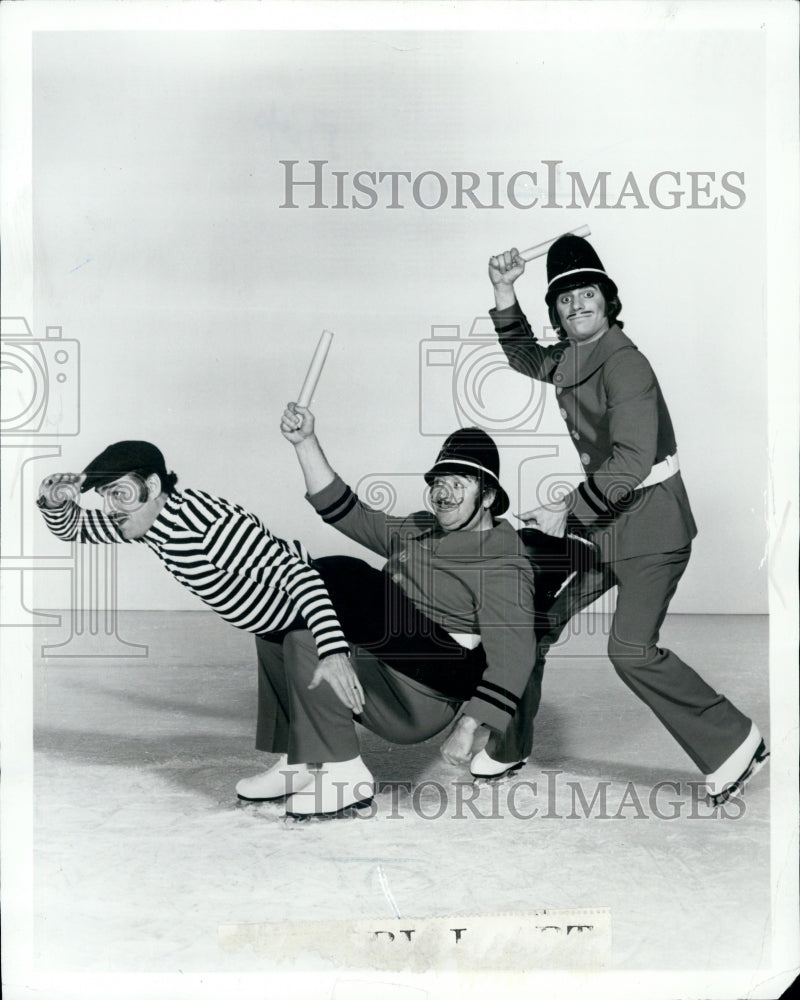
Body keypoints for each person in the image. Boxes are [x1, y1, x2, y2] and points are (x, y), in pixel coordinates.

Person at [481, 233, 767, 806]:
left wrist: (568, 508)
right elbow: (524, 357)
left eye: (587, 294)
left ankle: (735, 742)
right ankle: (511, 744)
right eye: (564, 299)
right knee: (535, 622)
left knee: (630, 649)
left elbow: (633, 461)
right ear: (557, 313)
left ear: (608, 301)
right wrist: (503, 289)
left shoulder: (626, 363)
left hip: (654, 531)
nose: (576, 306)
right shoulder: (571, 355)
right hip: (607, 529)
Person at [235, 412, 541, 817]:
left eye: (458, 485)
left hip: (426, 692)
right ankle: (308, 760)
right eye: (438, 483)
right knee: (283, 622)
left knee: (339, 573)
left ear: (487, 496)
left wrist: (468, 727)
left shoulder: (503, 564)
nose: (443, 494)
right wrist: (304, 442)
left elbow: (516, 657)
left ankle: (339, 770)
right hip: (385, 664)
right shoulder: (420, 529)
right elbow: (346, 511)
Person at [36, 439, 361, 716]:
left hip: (330, 603)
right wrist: (52, 500)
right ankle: (298, 764)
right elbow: (75, 528)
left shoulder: (207, 527)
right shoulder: (149, 522)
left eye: (118, 493)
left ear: (151, 486)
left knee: (329, 688)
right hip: (276, 625)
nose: (108, 509)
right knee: (286, 699)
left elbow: (300, 577)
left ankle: (336, 768)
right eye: (103, 496)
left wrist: (333, 651)